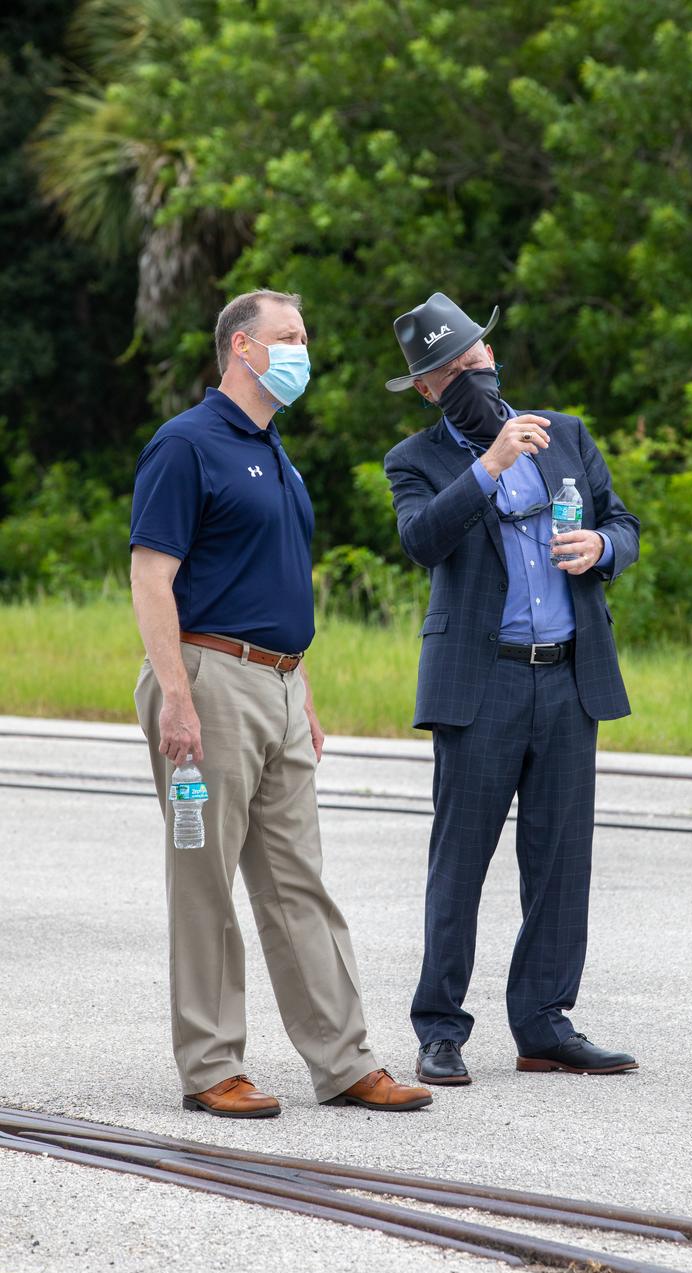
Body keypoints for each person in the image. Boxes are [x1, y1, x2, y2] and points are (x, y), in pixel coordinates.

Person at [130, 288, 431, 1116]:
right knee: (204, 879)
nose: (302, 349)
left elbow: (274, 584)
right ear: (241, 348)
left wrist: (304, 692)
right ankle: (211, 1064)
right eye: (288, 336)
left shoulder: (276, 451)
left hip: (281, 685)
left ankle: (344, 1060)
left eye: (304, 334)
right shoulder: (187, 445)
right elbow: (151, 575)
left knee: (299, 884)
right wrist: (177, 700)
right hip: (211, 682)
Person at [384, 292, 640, 1086]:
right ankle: (439, 1028)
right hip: (482, 678)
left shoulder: (563, 433)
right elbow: (422, 541)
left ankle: (543, 1024)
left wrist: (599, 545)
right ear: (426, 388)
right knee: (459, 860)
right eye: (450, 371)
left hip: (566, 673)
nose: (472, 374)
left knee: (561, 859)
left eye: (476, 358)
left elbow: (624, 525)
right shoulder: (416, 458)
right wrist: (488, 463)